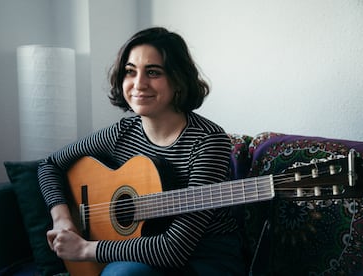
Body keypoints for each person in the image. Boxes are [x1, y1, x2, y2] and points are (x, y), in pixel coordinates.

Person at [38, 27, 246, 275]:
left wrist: (85, 249)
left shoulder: (209, 141)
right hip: (136, 250)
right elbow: (49, 165)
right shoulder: (122, 133)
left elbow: (174, 248)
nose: (138, 84)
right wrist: (62, 218)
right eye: (130, 72)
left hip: (205, 257)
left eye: (153, 72)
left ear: (177, 79)